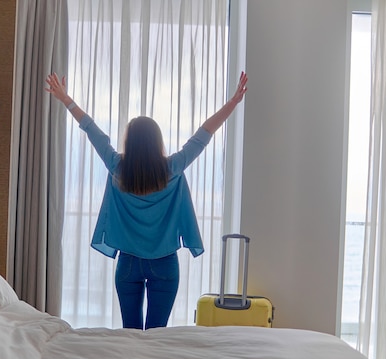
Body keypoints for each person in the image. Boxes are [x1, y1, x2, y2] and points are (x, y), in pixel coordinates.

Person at [45, 71, 248, 330]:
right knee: (157, 336)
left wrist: (66, 99)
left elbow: (91, 129)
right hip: (165, 263)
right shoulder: (172, 168)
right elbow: (203, 135)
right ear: (157, 142)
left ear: (130, 142)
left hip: (128, 264)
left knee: (130, 333)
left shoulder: (117, 167)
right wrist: (233, 102)